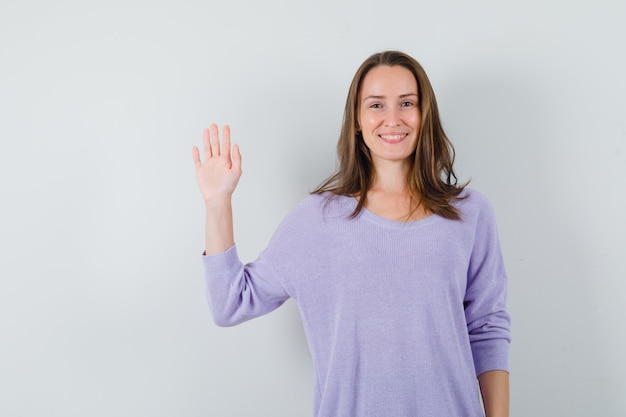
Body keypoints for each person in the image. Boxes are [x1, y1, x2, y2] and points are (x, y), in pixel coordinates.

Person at [192, 50, 511, 417]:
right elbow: (229, 303)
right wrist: (218, 202)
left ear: (424, 115)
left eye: (407, 103)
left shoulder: (471, 213)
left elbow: (487, 328)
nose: (393, 119)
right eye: (376, 105)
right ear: (357, 120)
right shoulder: (318, 220)